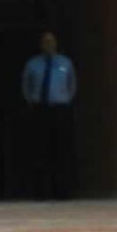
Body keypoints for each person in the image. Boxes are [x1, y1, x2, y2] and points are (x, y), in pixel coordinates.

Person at [20, 31, 80, 200]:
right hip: (40, 109)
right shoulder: (33, 64)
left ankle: (62, 192)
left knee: (62, 151)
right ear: (41, 44)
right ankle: (40, 192)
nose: (49, 44)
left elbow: (72, 84)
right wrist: (31, 100)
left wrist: (66, 100)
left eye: (51, 41)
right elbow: (26, 85)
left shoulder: (65, 63)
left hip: (60, 109)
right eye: (45, 41)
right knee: (40, 151)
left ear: (56, 43)